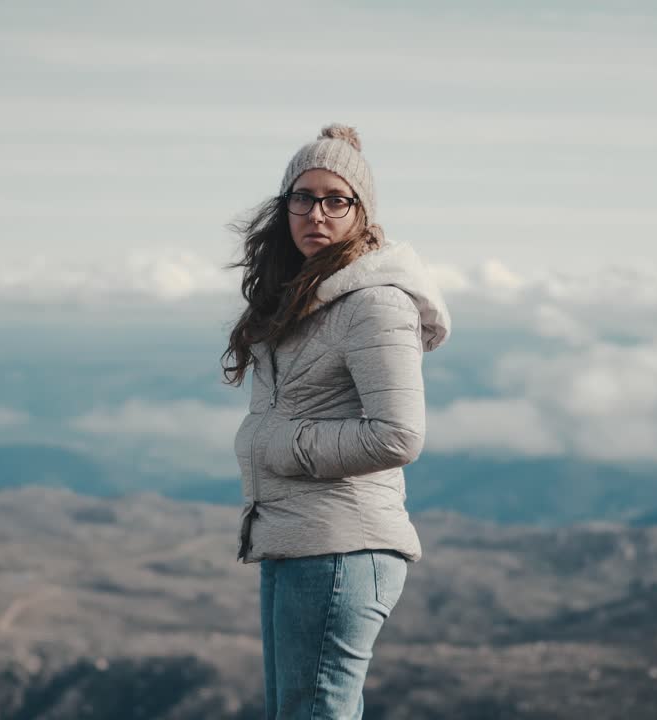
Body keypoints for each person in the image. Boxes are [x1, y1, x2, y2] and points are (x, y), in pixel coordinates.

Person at [222, 123, 452, 719]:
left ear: (361, 211)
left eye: (336, 200)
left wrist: (276, 444)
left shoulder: (375, 302)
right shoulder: (309, 294)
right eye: (303, 197)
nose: (315, 214)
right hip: (296, 540)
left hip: (341, 550)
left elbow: (398, 434)